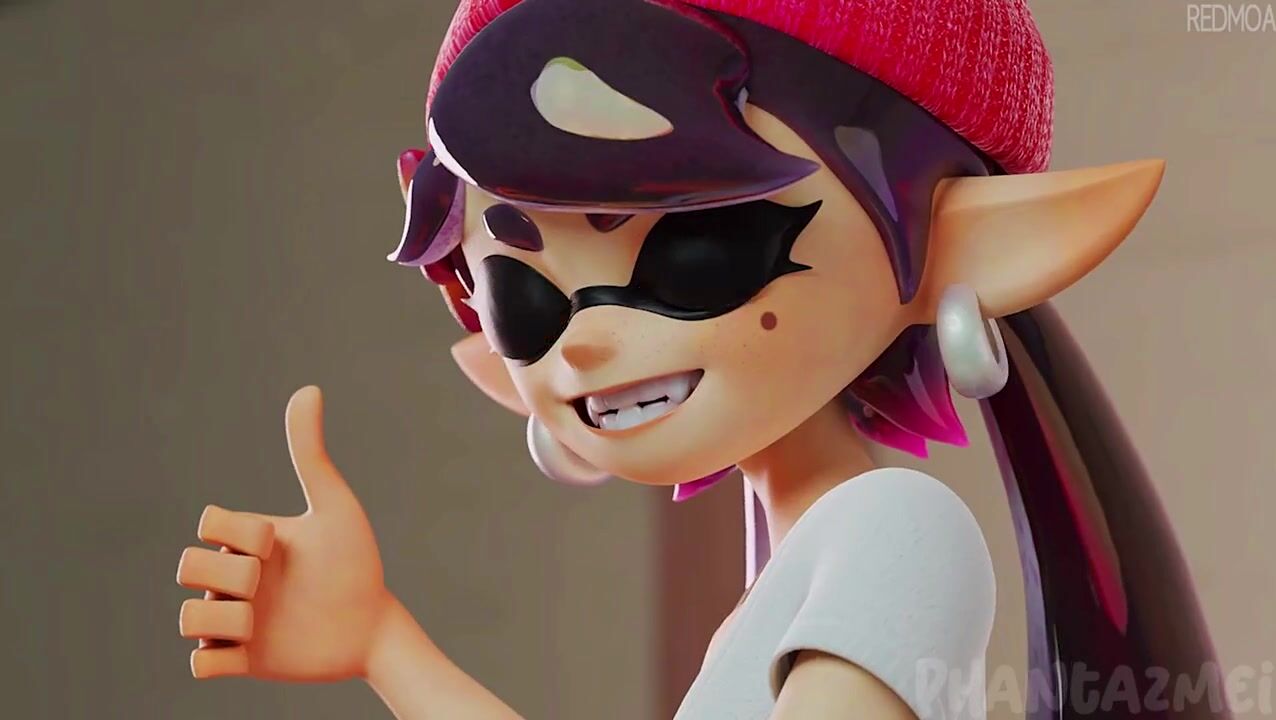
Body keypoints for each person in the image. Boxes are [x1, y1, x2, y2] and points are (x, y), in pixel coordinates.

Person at [174, 1, 1227, 718]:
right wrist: (381, 640)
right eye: (524, 292)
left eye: (695, 253)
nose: (587, 337)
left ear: (953, 243)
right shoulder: (805, 564)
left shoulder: (897, 532)